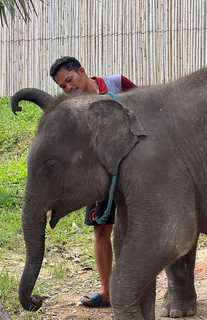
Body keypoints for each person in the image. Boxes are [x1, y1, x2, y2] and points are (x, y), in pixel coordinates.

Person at [49, 56, 137, 308]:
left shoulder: (118, 84)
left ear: (82, 71)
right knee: (101, 231)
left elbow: (147, 111)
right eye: (63, 87)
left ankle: (134, 293)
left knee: (135, 230)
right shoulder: (72, 108)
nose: (69, 88)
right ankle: (108, 292)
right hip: (100, 175)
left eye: (70, 80)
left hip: (133, 169)